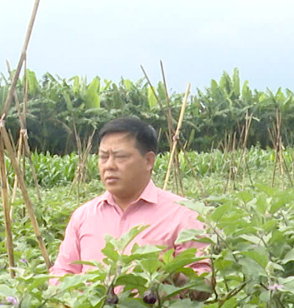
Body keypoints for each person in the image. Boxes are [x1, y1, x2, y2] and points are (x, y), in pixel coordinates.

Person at [49, 117, 209, 281]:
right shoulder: (83, 216)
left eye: (121, 157)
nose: (109, 165)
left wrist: (173, 275)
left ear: (148, 161)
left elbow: (204, 283)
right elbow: (62, 272)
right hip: (91, 307)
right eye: (103, 157)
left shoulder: (182, 214)